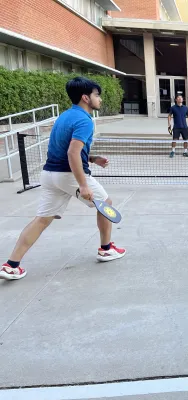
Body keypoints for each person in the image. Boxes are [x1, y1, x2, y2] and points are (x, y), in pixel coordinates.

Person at [0, 77, 125, 280]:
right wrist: (83, 185)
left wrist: (92, 158)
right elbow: (72, 153)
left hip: (49, 175)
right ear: (86, 97)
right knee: (105, 203)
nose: (99, 99)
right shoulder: (84, 120)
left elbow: (66, 147)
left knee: (42, 220)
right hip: (69, 175)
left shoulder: (64, 116)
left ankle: (11, 265)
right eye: (97, 95)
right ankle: (106, 248)